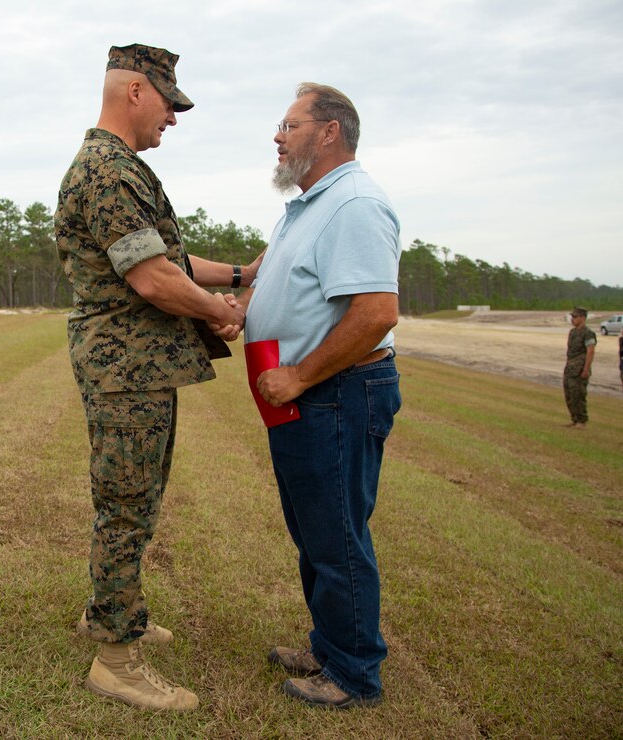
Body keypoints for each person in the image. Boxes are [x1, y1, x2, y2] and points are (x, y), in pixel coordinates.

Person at [55, 43, 255, 711]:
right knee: (127, 506)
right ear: (136, 91)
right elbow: (152, 278)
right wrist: (220, 312)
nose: (172, 118)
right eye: (169, 103)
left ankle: (109, 610)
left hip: (132, 363)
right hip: (127, 366)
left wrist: (236, 276)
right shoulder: (109, 172)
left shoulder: (118, 170)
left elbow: (164, 255)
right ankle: (116, 657)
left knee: (129, 500)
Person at [233, 83, 401, 708]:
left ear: (329, 132)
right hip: (307, 394)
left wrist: (301, 376)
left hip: (336, 392)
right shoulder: (305, 207)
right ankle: (330, 643)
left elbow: (377, 311)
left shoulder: (353, 204)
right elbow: (275, 278)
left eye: (289, 124)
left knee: (336, 536)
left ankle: (354, 671)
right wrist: (242, 307)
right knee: (314, 531)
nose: (277, 136)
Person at [563, 306, 596, 427]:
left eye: (575, 317)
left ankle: (582, 421)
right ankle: (574, 419)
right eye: (572, 317)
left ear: (582, 317)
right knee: (569, 395)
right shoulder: (572, 332)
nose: (572, 319)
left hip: (580, 369)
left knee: (579, 395)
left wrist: (586, 369)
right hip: (570, 368)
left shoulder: (588, 333)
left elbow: (590, 351)